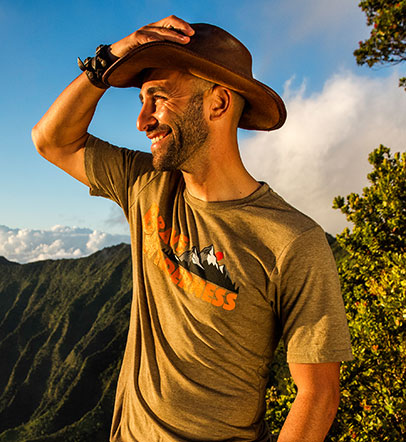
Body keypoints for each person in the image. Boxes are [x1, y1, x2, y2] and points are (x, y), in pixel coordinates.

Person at [32, 16, 353, 442]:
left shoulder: (291, 240)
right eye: (141, 102)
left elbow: (317, 393)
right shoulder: (144, 184)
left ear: (217, 104)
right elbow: (52, 141)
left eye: (158, 98)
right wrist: (111, 56)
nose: (142, 121)